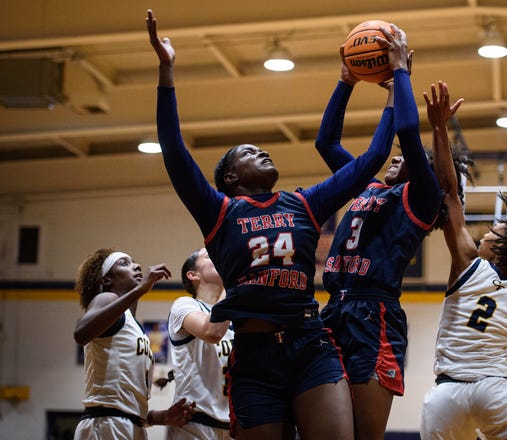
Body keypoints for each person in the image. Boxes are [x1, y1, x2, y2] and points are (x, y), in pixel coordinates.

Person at [146, 9, 407, 439]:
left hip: (311, 344)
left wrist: (396, 80)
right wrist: (166, 72)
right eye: (250, 152)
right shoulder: (219, 212)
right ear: (231, 178)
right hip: (253, 357)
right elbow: (173, 151)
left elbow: (373, 157)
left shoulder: (305, 202)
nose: (263, 152)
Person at [419, 80, 507, 440]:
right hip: (495, 391)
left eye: (494, 231)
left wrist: (438, 128)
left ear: (498, 250)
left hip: (447, 393)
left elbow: (450, 192)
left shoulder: (467, 263)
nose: (487, 231)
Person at [315, 37, 442, 439]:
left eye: (409, 158)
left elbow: (406, 129)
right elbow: (326, 144)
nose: (398, 157)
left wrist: (401, 69)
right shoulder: (368, 187)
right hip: (333, 308)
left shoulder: (421, 200)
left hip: (376, 317)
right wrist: (345, 82)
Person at [73, 248, 195, 439]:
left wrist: (162, 417)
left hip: (131, 424)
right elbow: (81, 334)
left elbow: (126, 400)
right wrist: (140, 290)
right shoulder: (106, 297)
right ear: (106, 280)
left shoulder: (134, 325)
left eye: (134, 262)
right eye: (124, 263)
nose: (137, 266)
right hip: (106, 423)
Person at [155, 247, 233, 440]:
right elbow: (212, 332)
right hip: (195, 423)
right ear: (193, 274)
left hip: (234, 425)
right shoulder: (184, 305)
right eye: (209, 256)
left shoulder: (235, 314)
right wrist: (233, 283)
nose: (218, 257)